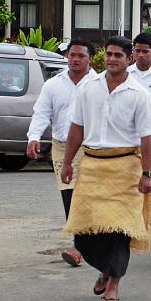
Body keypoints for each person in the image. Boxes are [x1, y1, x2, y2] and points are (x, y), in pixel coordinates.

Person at [61, 36, 151, 301]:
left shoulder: (139, 94)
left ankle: (114, 285)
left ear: (129, 59)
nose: (112, 59)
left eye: (118, 55)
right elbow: (76, 128)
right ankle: (106, 269)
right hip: (92, 166)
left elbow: (148, 138)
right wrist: (68, 162)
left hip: (125, 168)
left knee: (119, 230)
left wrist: (147, 174)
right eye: (109, 54)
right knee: (84, 232)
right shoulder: (87, 88)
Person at [26, 38, 98, 266]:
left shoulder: (101, 84)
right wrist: (33, 137)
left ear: (90, 59)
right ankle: (80, 246)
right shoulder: (53, 85)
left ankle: (91, 243)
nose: (75, 59)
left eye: (81, 56)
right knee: (70, 196)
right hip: (62, 148)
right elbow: (41, 113)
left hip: (93, 149)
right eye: (72, 55)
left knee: (90, 197)